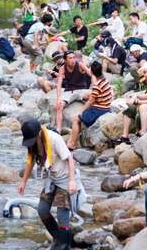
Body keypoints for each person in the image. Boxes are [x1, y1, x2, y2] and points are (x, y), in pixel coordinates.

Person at [18, 119, 77, 250]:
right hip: (51, 179)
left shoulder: (54, 139)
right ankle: (59, 239)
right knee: (42, 210)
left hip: (64, 179)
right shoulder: (32, 143)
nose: (30, 143)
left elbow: (69, 158)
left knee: (62, 215)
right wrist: (23, 182)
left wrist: (72, 181)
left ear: (39, 133)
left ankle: (65, 245)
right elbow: (30, 162)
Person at [67, 61, 112, 150]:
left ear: (92, 72)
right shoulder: (104, 80)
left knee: (76, 118)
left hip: (100, 109)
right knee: (86, 99)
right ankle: (75, 139)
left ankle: (72, 143)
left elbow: (90, 102)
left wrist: (81, 111)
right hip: (106, 106)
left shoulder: (97, 86)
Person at [56, 51, 91, 132]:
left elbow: (91, 74)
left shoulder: (79, 64)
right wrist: (58, 98)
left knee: (93, 95)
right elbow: (59, 84)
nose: (73, 60)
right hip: (70, 91)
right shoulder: (62, 68)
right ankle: (58, 130)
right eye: (70, 58)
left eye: (74, 57)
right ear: (65, 60)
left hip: (81, 90)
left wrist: (98, 86)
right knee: (59, 106)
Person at [114, 62, 147, 145]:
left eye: (146, 73)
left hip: (145, 107)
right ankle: (125, 136)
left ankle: (142, 133)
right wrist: (136, 96)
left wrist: (139, 102)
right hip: (144, 105)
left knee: (143, 107)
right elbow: (146, 95)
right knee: (128, 108)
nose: (145, 76)